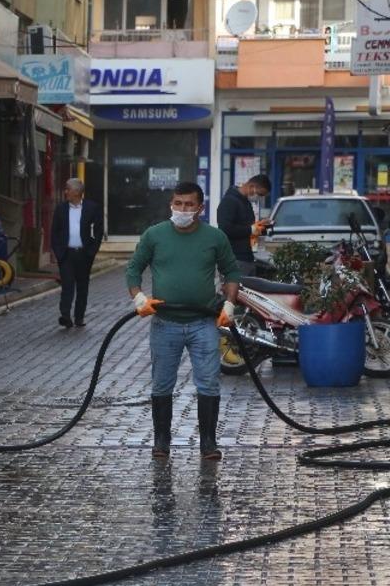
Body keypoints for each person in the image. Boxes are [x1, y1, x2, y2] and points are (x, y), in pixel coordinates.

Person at [126, 181, 241, 460]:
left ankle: (209, 443)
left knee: (209, 382)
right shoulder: (155, 235)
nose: (182, 209)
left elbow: (232, 272)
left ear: (200, 208)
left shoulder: (214, 238)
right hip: (165, 323)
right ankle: (162, 441)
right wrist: (139, 298)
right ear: (171, 205)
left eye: (189, 205)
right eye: (178, 203)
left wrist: (229, 303)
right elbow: (133, 270)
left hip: (204, 322)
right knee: (162, 383)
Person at [49, 177, 103, 328]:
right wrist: (59, 254)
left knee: (82, 286)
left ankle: (79, 317)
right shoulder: (61, 209)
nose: (65, 191)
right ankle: (65, 315)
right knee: (67, 285)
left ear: (77, 192)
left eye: (68, 189)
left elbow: (98, 231)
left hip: (84, 254)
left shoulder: (92, 208)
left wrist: (91, 252)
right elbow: (55, 233)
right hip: (66, 254)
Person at [217, 174, 271, 275]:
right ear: (251, 186)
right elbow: (225, 229)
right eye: (260, 194)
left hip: (247, 256)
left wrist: (259, 227)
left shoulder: (245, 202)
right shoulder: (229, 201)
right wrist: (250, 229)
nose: (259, 198)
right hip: (235, 258)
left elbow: (246, 225)